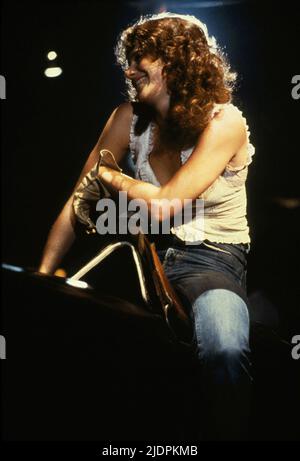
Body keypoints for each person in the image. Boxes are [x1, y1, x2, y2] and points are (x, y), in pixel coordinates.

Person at [39, 12, 255, 440]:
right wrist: (41, 278)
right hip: (141, 253)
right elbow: (78, 202)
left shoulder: (224, 121)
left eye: (144, 56)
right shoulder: (126, 118)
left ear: (178, 61)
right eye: (128, 58)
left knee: (225, 347)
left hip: (211, 262)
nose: (130, 67)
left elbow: (167, 203)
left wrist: (110, 175)